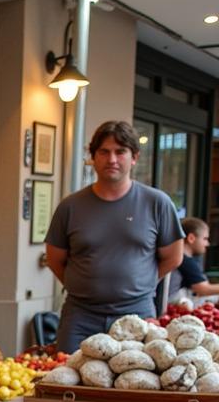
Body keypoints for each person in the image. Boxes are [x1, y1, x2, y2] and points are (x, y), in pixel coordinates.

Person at [45, 120, 184, 353]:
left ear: (134, 157)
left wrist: (139, 285)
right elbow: (54, 259)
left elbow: (173, 257)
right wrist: (85, 286)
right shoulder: (70, 206)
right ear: (93, 157)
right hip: (80, 316)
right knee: (67, 384)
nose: (112, 159)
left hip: (138, 315)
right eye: (104, 152)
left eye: (120, 152)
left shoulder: (157, 203)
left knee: (137, 386)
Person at [168, 217, 219, 303]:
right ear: (191, 238)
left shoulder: (180, 257)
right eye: (205, 239)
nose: (207, 244)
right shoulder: (184, 260)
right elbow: (202, 289)